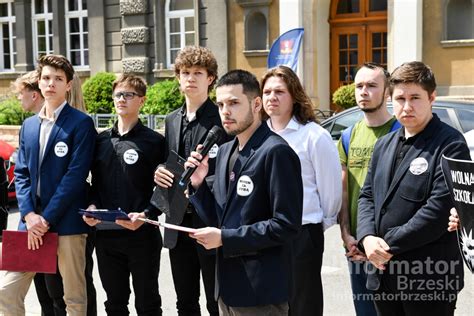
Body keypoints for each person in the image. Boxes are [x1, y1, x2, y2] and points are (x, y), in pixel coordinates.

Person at [185, 69, 303, 315]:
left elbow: (286, 225)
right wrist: (198, 184)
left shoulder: (276, 152)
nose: (225, 111)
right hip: (227, 289)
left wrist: (225, 239)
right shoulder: (226, 150)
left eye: (234, 103)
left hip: (260, 292)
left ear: (256, 103)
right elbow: (221, 217)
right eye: (220, 104)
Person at [357, 61, 470, 315]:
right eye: (400, 98)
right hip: (383, 276)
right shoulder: (384, 144)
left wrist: (383, 245)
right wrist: (366, 238)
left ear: (432, 98)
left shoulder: (451, 144)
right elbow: (367, 196)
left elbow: (438, 211)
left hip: (428, 280)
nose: (407, 106)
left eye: (415, 97)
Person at [0, 54, 96, 315]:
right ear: (39, 83)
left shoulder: (81, 123)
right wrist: (30, 215)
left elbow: (75, 177)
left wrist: (46, 219)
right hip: (29, 225)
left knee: (74, 297)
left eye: (58, 79)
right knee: (7, 291)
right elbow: (21, 174)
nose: (51, 83)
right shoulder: (28, 125)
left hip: (65, 223)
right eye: (46, 78)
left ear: (68, 85)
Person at [260, 65, 341, 316]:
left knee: (303, 304)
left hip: (302, 233)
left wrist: (321, 224)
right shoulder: (259, 135)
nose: (271, 97)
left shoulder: (313, 136)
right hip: (266, 232)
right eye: (267, 92)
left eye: (279, 92)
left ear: (294, 96)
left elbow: (330, 187)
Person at [153, 45, 227, 315]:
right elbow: (168, 161)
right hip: (177, 220)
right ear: (178, 78)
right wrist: (159, 170)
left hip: (209, 219)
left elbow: (228, 171)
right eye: (185, 72)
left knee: (215, 301)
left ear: (210, 79)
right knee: (185, 301)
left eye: (198, 72)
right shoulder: (172, 119)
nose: (190, 78)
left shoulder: (221, 118)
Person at [82, 74, 165, 315]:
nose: (122, 99)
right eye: (118, 94)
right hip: (107, 236)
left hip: (142, 234)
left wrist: (148, 214)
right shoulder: (100, 141)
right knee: (115, 303)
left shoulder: (155, 141)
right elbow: (93, 183)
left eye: (129, 95)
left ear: (141, 101)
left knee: (148, 302)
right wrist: (92, 205)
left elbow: (165, 188)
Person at [337, 62, 397, 316]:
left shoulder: (400, 132)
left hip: (389, 249)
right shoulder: (348, 136)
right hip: (355, 248)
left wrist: (380, 245)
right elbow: (344, 189)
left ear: (387, 92)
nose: (364, 91)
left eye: (372, 85)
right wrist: (347, 235)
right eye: (359, 85)